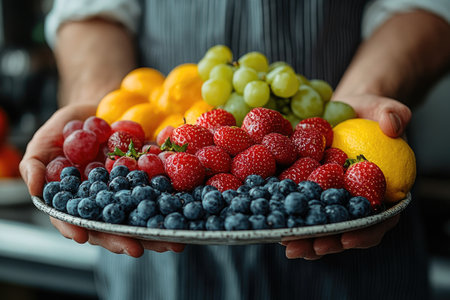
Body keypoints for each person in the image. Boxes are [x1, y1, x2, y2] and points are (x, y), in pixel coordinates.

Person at [20, 0, 450, 299]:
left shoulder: (302, 154)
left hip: (355, 263)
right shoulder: (183, 155)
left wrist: (366, 94)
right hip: (158, 267)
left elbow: (426, 6)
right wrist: (102, 106)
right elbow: (91, 11)